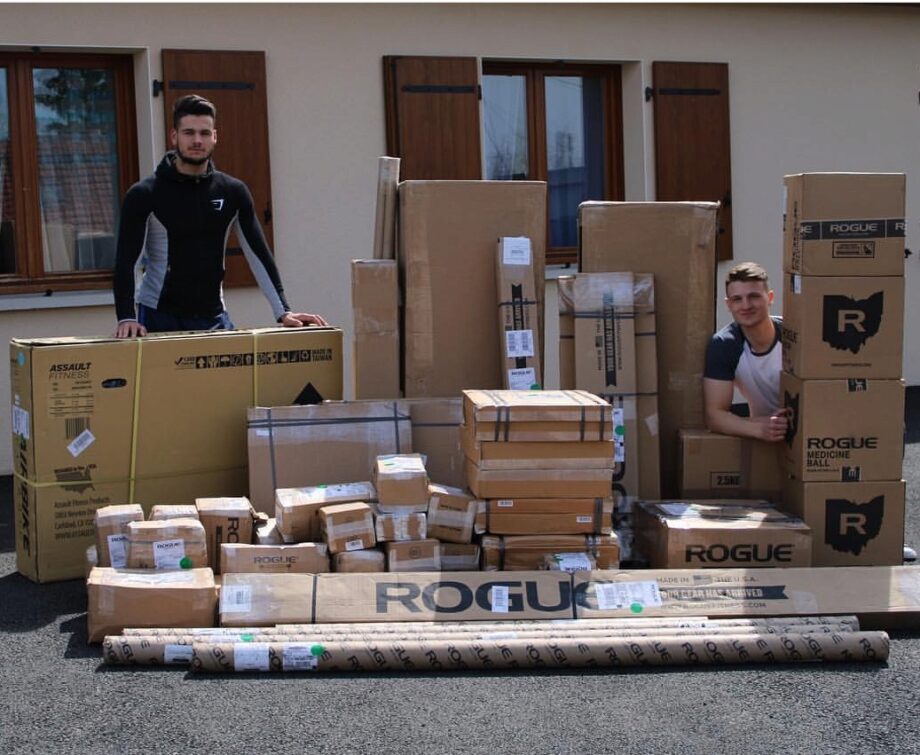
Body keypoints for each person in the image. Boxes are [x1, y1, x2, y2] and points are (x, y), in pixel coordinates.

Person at [113, 94, 327, 338]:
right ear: (174, 136)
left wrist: (284, 312)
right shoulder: (145, 193)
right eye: (188, 133)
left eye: (204, 133)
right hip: (157, 318)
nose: (197, 140)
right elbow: (126, 262)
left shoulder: (233, 191)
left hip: (214, 318)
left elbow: (258, 253)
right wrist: (126, 317)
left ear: (214, 137)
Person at [703, 261, 787, 442]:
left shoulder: (795, 336)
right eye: (737, 299)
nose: (746, 305)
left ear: (770, 297)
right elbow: (714, 416)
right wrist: (759, 429)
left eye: (754, 296)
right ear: (728, 304)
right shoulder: (725, 344)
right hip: (765, 437)